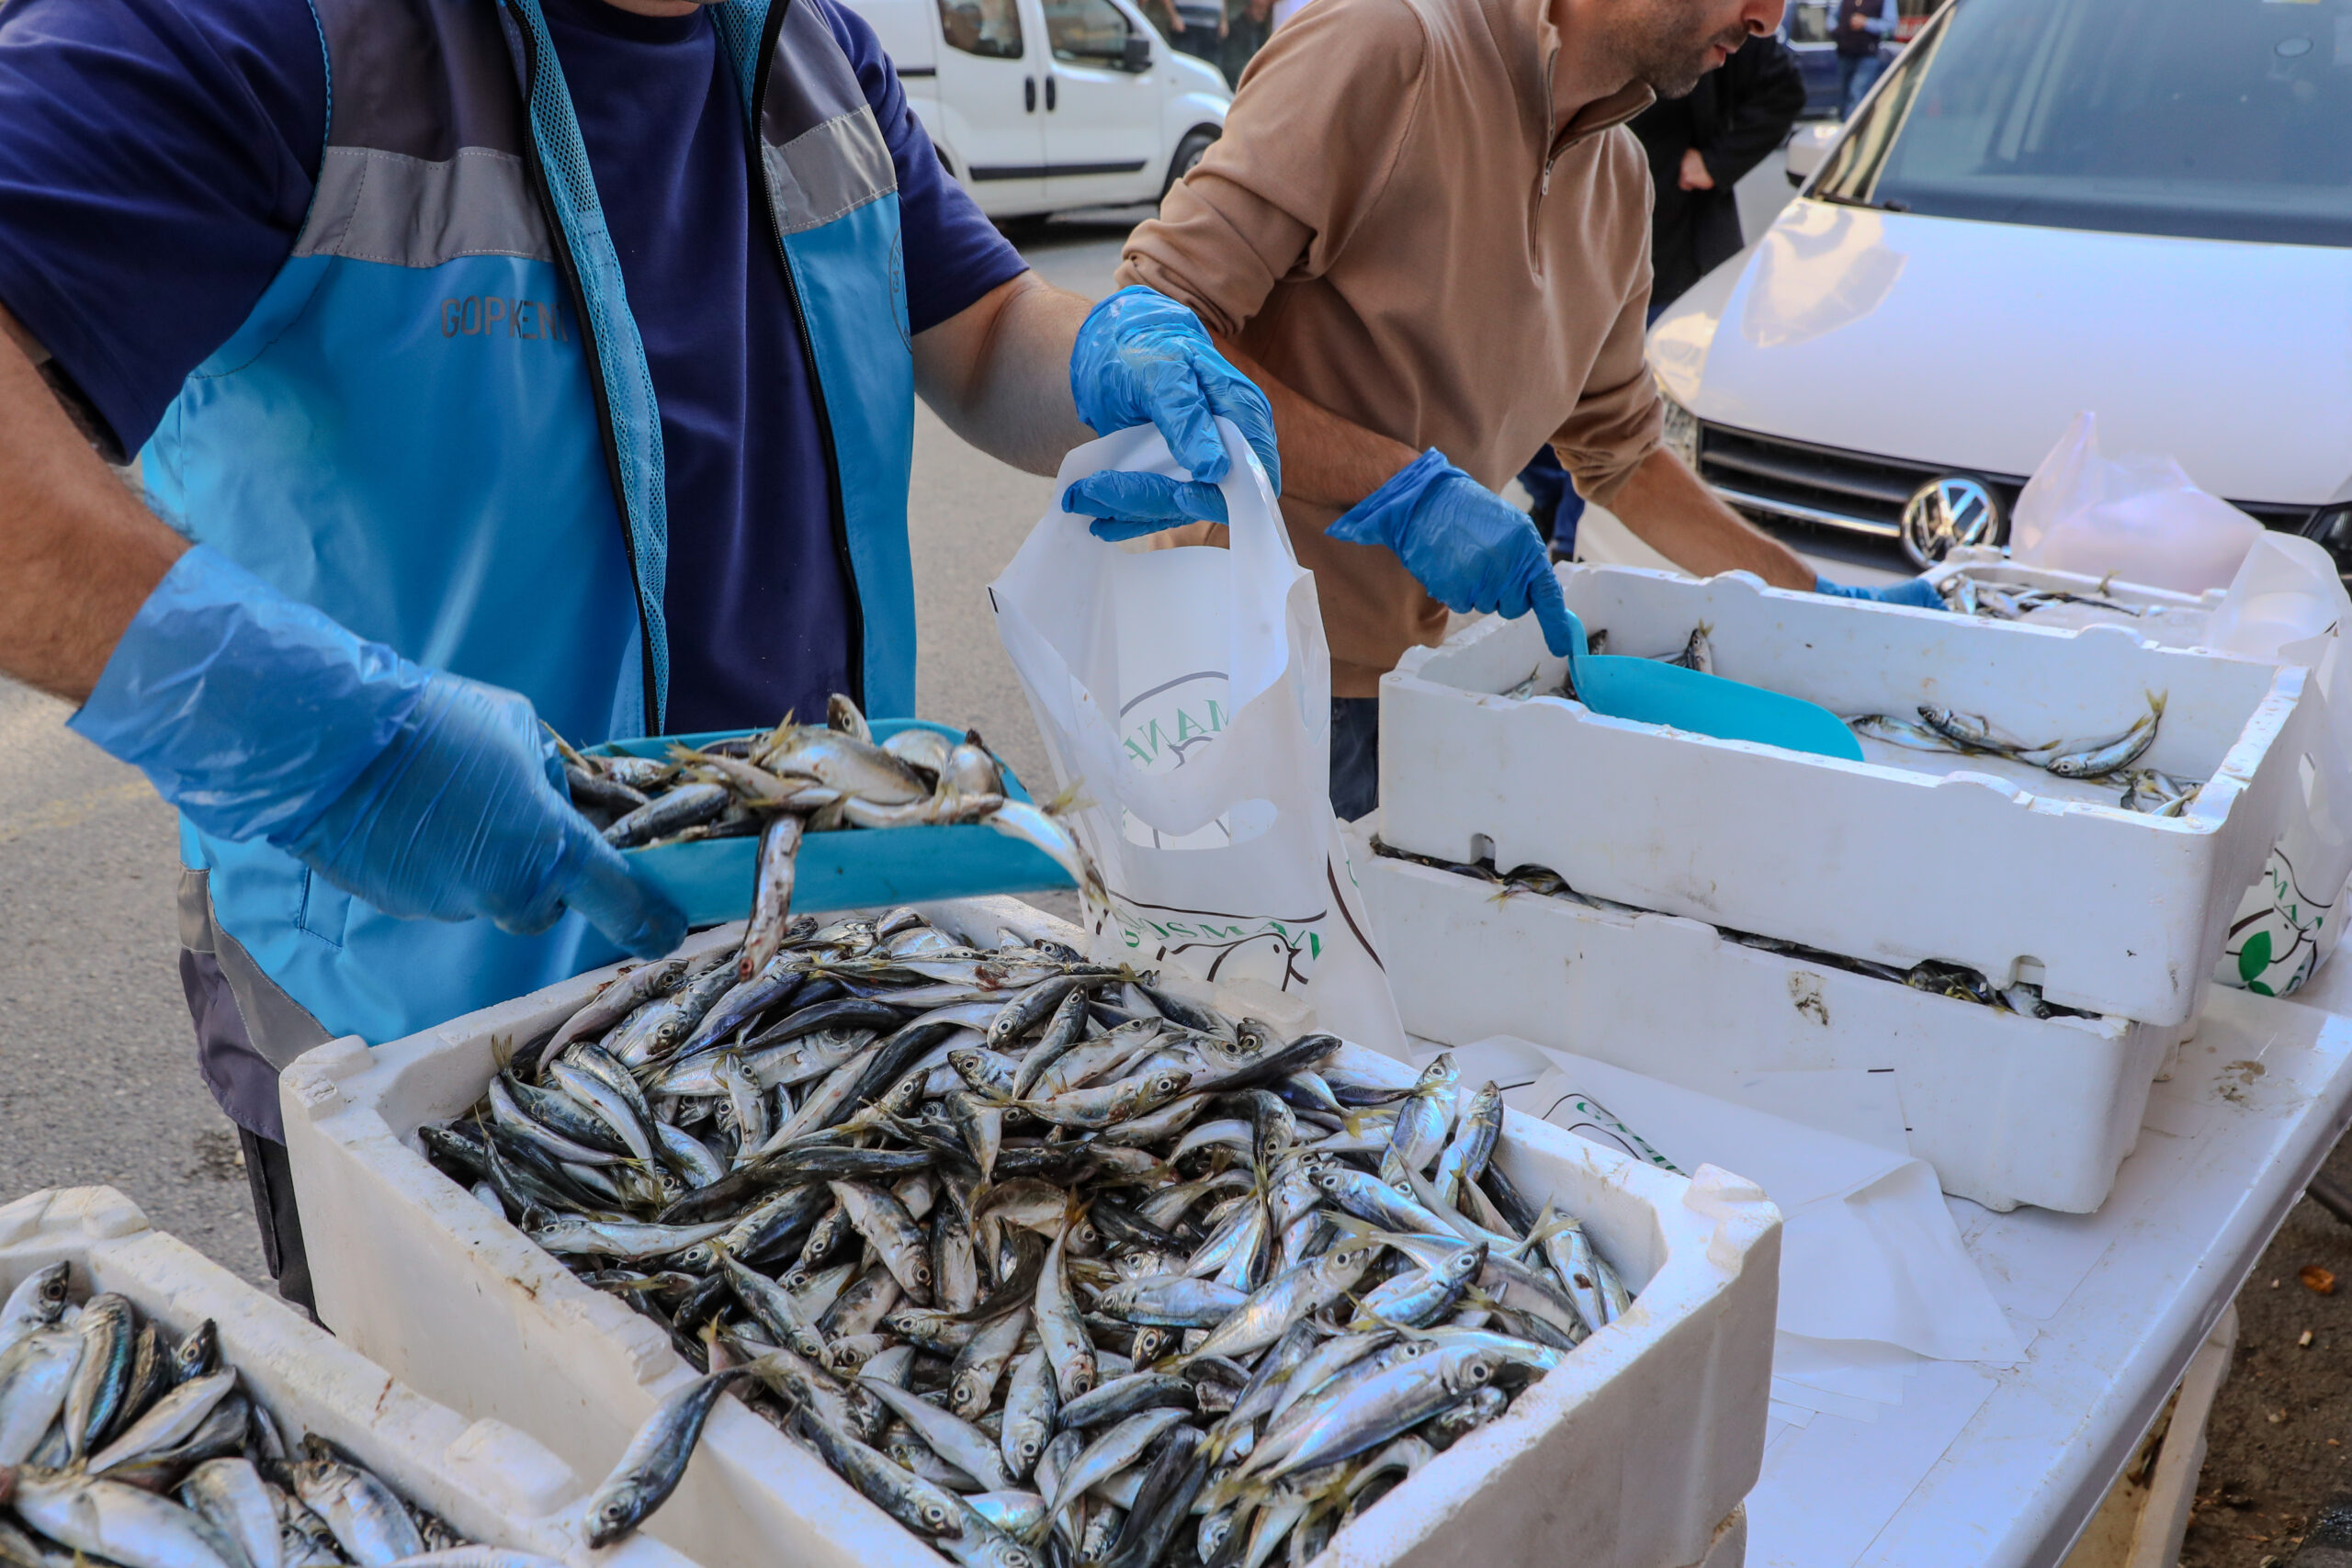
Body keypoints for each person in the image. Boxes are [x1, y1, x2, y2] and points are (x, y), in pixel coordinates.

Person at [0, 0, 1273, 1308]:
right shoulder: (253, 27)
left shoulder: (814, 47)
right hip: (418, 1041)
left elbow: (982, 325)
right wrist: (302, 732)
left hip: (802, 997)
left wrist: (1100, 359)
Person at [1068, 0, 1936, 822]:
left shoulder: (1620, 180)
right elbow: (1163, 327)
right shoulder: (1388, 45)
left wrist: (1815, 597)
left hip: (1414, 683)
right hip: (1233, 675)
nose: (1769, 19)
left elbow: (1624, 458)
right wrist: (1403, 490)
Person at [1516, 28, 1804, 553]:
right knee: (1528, 405)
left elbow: (1783, 89)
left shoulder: (1707, 26)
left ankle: (1568, 538)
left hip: (1669, 254)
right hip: (1560, 252)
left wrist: (1717, 161)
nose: (1766, 16)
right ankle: (1553, 500)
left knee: (1612, 418)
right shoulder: (1541, 32)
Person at [1837, 0, 1898, 116]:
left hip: (1868, 54)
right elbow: (1833, 18)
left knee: (1857, 92)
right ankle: (1846, 123)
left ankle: (1853, 125)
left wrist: (1866, 23)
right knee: (1843, 96)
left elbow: (1890, 25)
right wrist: (1838, 31)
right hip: (1845, 51)